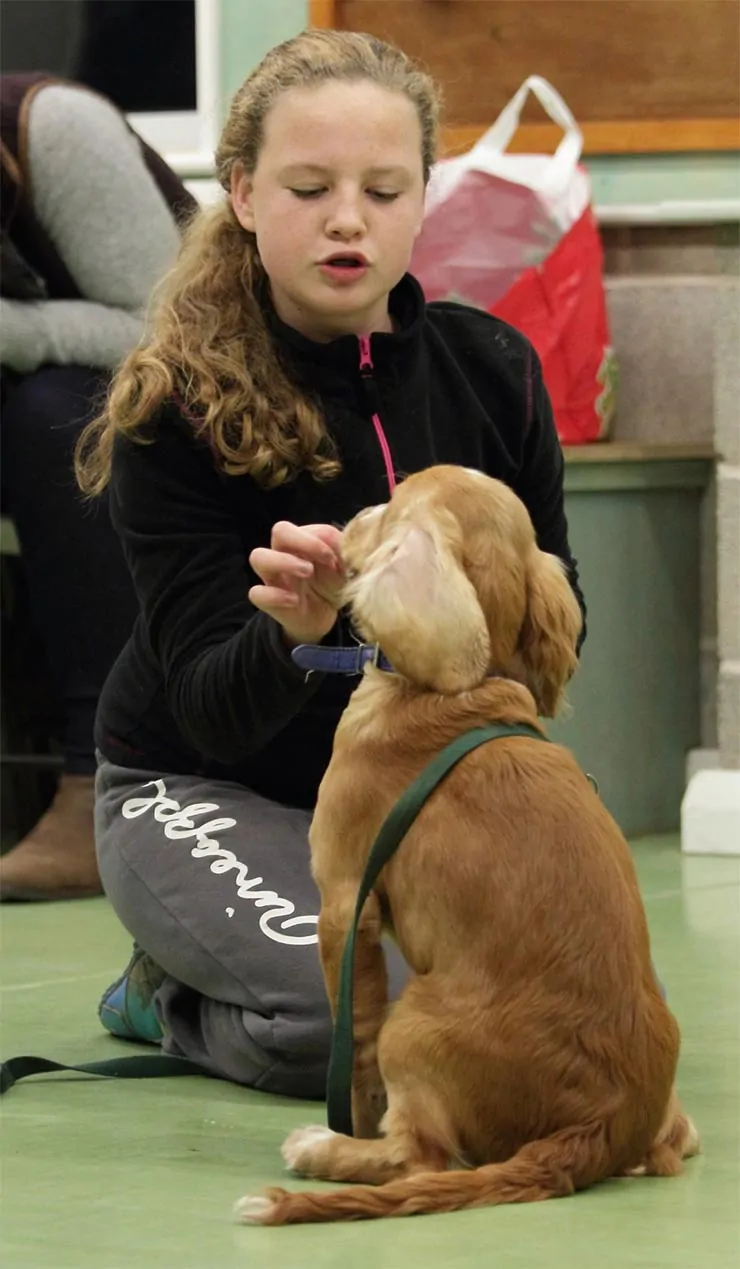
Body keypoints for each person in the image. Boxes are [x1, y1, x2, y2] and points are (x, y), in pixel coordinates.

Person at [76, 30, 586, 1099]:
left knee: (540, 1001)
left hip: (415, 787)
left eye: (382, 188)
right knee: (352, 1028)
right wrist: (295, 636)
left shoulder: (494, 371)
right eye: (309, 187)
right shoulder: (173, 407)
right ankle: (161, 994)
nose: (347, 217)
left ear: (420, 199)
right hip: (202, 787)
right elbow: (210, 713)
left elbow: (553, 631)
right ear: (244, 194)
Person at [0, 72, 195, 901]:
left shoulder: (56, 131)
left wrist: (12, 333)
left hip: (192, 407)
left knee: (57, 411)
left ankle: (99, 785)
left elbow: (172, 332)